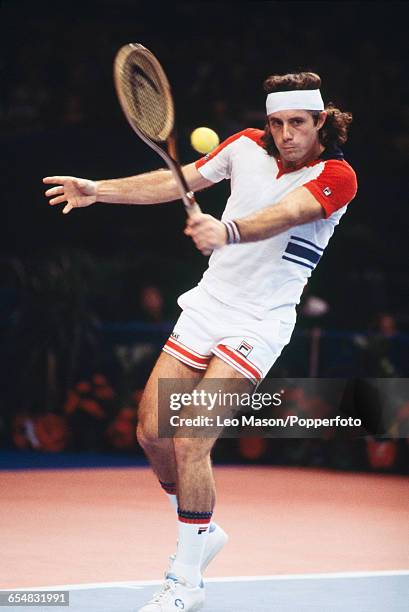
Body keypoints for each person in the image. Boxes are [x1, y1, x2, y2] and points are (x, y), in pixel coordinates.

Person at [43, 71, 357, 612]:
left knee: (191, 438)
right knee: (151, 433)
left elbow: (289, 213)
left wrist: (227, 231)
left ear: (321, 121)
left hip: (260, 322)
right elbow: (176, 180)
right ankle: (200, 531)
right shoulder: (242, 147)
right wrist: (99, 191)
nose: (285, 133)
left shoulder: (337, 176)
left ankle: (186, 582)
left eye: (297, 123)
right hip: (209, 306)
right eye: (277, 122)